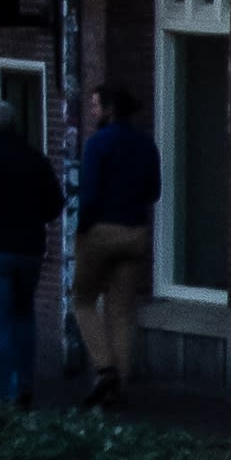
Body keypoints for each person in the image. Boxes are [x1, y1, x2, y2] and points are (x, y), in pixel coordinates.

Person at [0, 100, 61, 409]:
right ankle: (27, 383)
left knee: (0, 321)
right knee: (24, 317)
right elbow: (55, 204)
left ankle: (9, 388)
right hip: (29, 250)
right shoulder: (35, 159)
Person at [72, 85, 160, 410]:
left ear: (109, 109)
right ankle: (119, 387)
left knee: (82, 300)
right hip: (135, 231)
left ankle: (104, 368)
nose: (93, 110)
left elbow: (90, 194)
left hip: (101, 231)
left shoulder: (97, 144)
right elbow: (154, 191)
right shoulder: (146, 144)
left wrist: (82, 229)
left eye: (95, 105)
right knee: (122, 311)